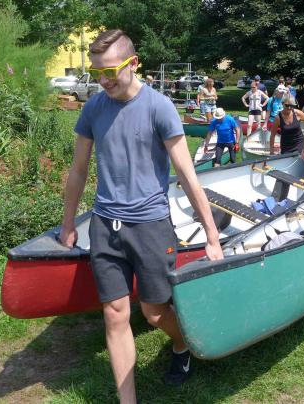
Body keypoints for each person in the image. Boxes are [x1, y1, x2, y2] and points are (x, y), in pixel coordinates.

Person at [58, 30, 223, 403]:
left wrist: (211, 235)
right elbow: (78, 170)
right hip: (105, 224)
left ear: (133, 63)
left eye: (110, 71)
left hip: (149, 224)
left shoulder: (158, 107)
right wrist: (68, 223)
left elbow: (186, 174)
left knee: (153, 312)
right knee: (115, 313)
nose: (103, 80)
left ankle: (182, 344)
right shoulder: (93, 108)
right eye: (96, 72)